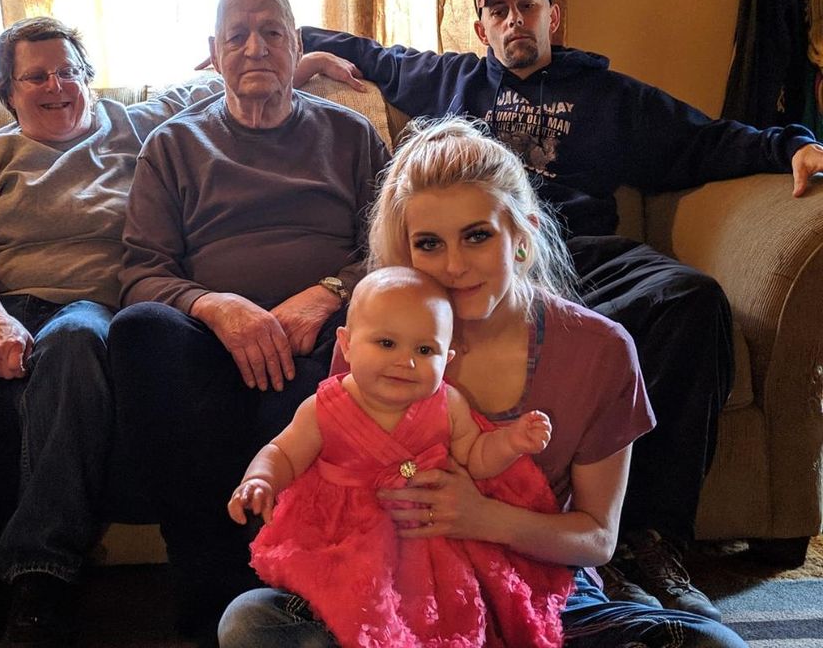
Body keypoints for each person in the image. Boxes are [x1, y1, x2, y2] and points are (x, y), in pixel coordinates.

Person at [295, 0, 823, 619]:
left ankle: (649, 540)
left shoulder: (606, 93)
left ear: (554, 16)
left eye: (528, 5)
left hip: (584, 254)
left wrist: (791, 145)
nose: (514, 18)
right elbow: (372, 54)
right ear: (482, 29)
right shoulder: (452, 79)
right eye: (498, 10)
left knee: (691, 301)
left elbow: (702, 139)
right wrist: (295, 48)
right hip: (477, 264)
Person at [219, 117, 749, 648]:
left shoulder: (600, 350)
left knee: (712, 644)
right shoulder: (378, 343)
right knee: (251, 622)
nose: (454, 266)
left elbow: (596, 538)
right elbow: (325, 463)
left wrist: (481, 517)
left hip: (539, 588)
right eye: (429, 243)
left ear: (522, 235)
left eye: (477, 236)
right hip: (389, 584)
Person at [0, 16, 226, 648]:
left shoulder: (136, 126)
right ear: (7, 93)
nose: (56, 86)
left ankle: (42, 573)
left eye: (68, 71)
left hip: (89, 308)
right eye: (35, 76)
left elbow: (223, 81)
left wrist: (311, 61)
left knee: (76, 341)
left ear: (89, 79)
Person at [108, 0, 391, 640]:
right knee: (139, 330)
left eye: (271, 32)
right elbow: (141, 273)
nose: (256, 48)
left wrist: (328, 292)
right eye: (238, 35)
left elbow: (395, 247)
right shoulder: (173, 145)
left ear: (296, 44)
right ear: (215, 52)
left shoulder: (351, 136)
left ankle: (301, 592)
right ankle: (205, 581)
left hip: (322, 332)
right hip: (207, 341)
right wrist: (215, 305)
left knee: (360, 344)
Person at [227, 265, 573, 647]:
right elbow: (282, 453)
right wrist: (260, 479)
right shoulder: (324, 408)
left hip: (428, 547)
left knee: (444, 619)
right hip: (344, 545)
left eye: (424, 350)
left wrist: (510, 443)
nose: (405, 361)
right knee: (292, 617)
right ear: (347, 344)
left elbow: (476, 458)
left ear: (448, 358)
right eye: (387, 343)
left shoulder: (447, 404)